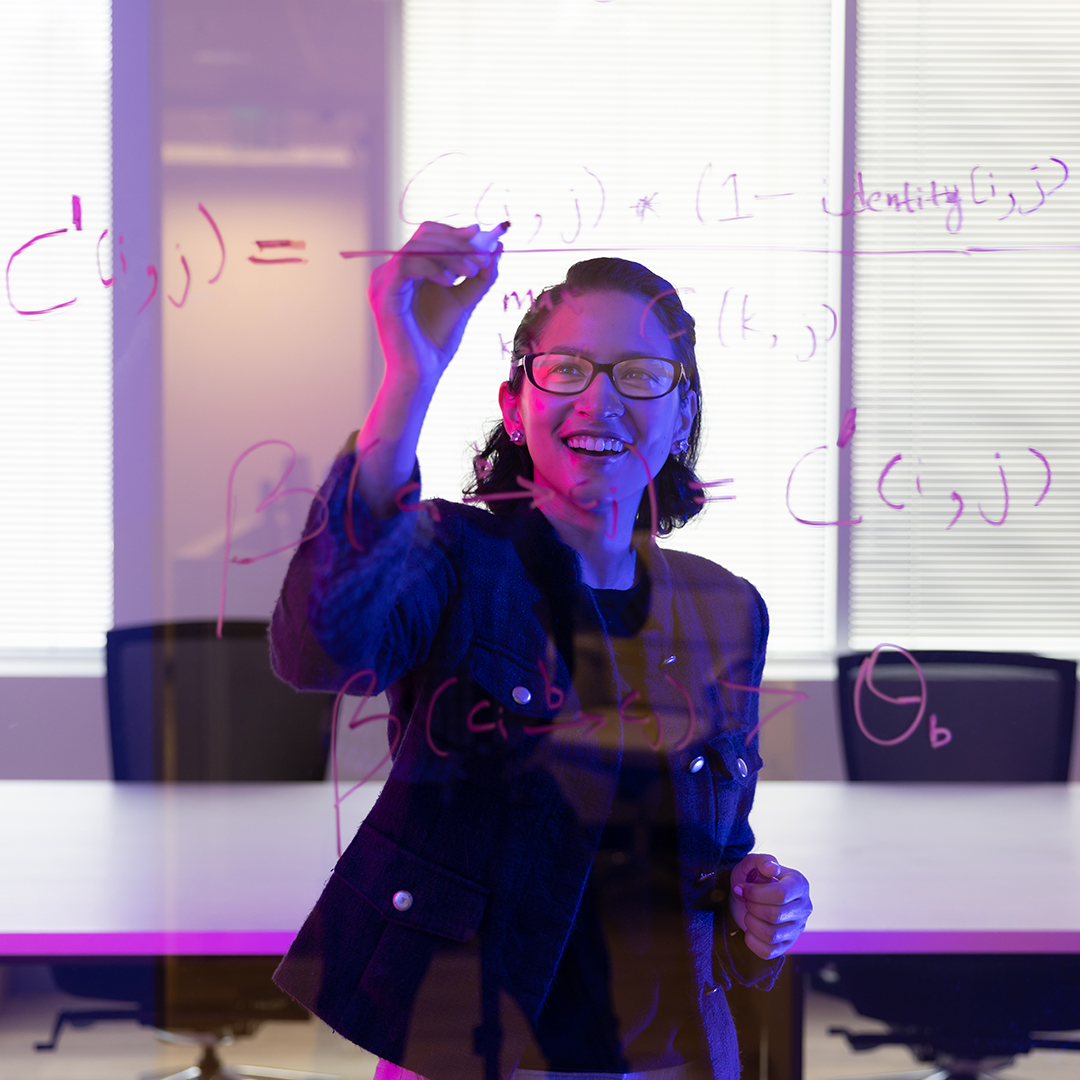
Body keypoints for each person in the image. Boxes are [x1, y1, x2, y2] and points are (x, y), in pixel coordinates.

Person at [269, 221, 813, 1080]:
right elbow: (320, 646)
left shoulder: (728, 608)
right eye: (567, 371)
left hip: (671, 1059)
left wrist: (761, 903)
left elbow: (715, 854)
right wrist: (411, 376)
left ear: (682, 418)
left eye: (640, 376)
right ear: (516, 406)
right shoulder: (455, 558)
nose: (600, 402)